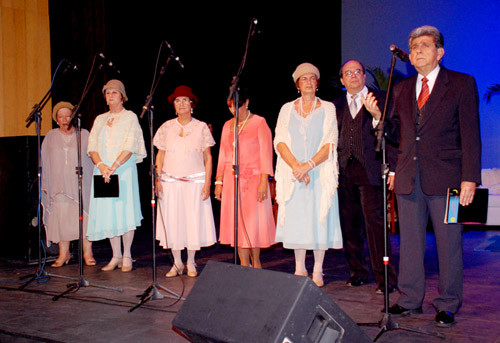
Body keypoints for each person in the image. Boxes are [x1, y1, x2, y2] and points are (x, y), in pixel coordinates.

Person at [365, 26, 481, 327]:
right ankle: (410, 299)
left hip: (450, 182)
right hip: (408, 179)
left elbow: (471, 134)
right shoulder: (402, 89)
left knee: (450, 244)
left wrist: (470, 178)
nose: (417, 50)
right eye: (414, 46)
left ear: (439, 52)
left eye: (425, 45)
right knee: (412, 244)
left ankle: (447, 303)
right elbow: (395, 134)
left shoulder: (461, 83)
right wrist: (378, 118)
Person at [274, 62, 343, 287]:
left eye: (313, 78)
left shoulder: (328, 108)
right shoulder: (286, 109)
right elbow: (280, 141)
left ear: (317, 83)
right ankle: (299, 267)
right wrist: (296, 167)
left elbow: (330, 141)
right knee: (298, 221)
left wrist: (309, 165)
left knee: (319, 220)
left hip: (318, 173)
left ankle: (318, 270)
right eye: (304, 79)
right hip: (294, 175)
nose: (309, 82)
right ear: (297, 84)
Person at [333, 60, 397, 294]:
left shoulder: (381, 98)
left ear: (364, 76)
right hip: (344, 172)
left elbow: (393, 136)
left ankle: (385, 279)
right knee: (350, 226)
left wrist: (392, 168)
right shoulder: (335, 105)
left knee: (375, 226)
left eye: (357, 72)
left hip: (370, 171)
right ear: (342, 80)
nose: (353, 76)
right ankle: (357, 272)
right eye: (347, 73)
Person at [154, 85, 217, 278]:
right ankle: (177, 262)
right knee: (173, 222)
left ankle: (190, 262)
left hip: (194, 182)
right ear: (174, 106)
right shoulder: (166, 127)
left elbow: (207, 157)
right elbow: (160, 155)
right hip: (170, 181)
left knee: (192, 222)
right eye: (177, 100)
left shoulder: (201, 127)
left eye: (185, 100)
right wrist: (157, 178)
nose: (181, 104)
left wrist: (207, 182)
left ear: (192, 105)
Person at [87, 79, 146, 272]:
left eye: (114, 92)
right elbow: (92, 146)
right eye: (107, 93)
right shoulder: (100, 119)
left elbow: (130, 145)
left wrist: (114, 166)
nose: (110, 95)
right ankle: (116, 255)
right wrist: (102, 165)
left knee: (124, 211)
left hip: (123, 170)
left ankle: (127, 254)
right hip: (104, 171)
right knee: (109, 212)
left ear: (122, 96)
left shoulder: (130, 117)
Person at [215, 90, 276, 268]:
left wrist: (264, 181)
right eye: (230, 106)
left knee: (252, 223)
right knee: (237, 224)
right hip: (232, 180)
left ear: (246, 102)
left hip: (253, 180)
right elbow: (223, 155)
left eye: (238, 105)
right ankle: (243, 264)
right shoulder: (228, 125)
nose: (234, 110)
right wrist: (219, 181)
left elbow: (266, 154)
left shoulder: (259, 122)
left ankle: (256, 262)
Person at [41, 101, 95, 267]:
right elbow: (45, 161)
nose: (64, 119)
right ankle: (64, 253)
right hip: (59, 186)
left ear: (73, 117)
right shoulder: (50, 136)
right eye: (60, 116)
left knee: (85, 219)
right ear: (56, 119)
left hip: (80, 184)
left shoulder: (84, 134)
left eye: (67, 115)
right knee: (61, 218)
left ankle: (87, 252)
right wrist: (46, 183)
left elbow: (93, 157)